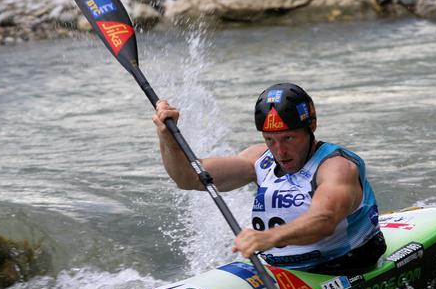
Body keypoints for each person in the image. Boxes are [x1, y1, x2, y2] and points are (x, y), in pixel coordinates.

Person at [152, 82, 386, 275]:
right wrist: (167, 139)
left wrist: (267, 238)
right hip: (278, 270)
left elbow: (323, 221)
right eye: (270, 140)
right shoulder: (259, 160)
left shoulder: (336, 167)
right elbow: (188, 178)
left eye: (289, 138)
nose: (280, 151)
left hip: (340, 267)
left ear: (311, 126)